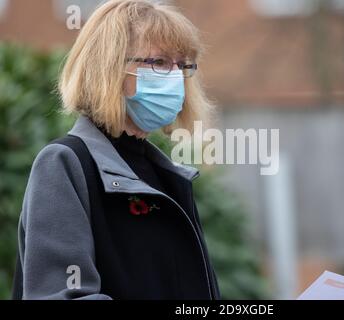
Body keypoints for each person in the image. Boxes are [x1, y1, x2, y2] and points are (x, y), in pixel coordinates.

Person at [14, 0, 220, 300]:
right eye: (160, 63)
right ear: (109, 68)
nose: (176, 77)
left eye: (182, 65)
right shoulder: (65, 165)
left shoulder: (167, 177)